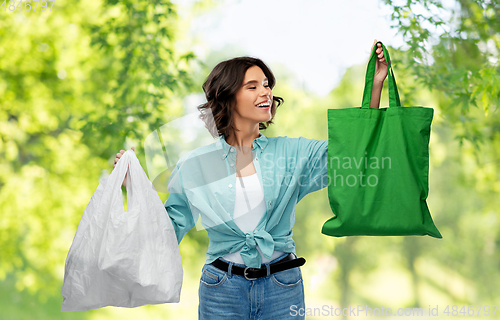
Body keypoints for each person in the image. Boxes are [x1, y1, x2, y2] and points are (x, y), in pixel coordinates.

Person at [113, 40, 388, 319]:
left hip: (283, 287)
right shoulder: (194, 166)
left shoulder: (292, 153)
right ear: (228, 97)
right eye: (253, 86)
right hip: (221, 289)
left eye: (267, 84)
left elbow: (355, 151)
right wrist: (139, 190)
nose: (266, 92)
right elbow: (168, 231)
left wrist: (376, 85)